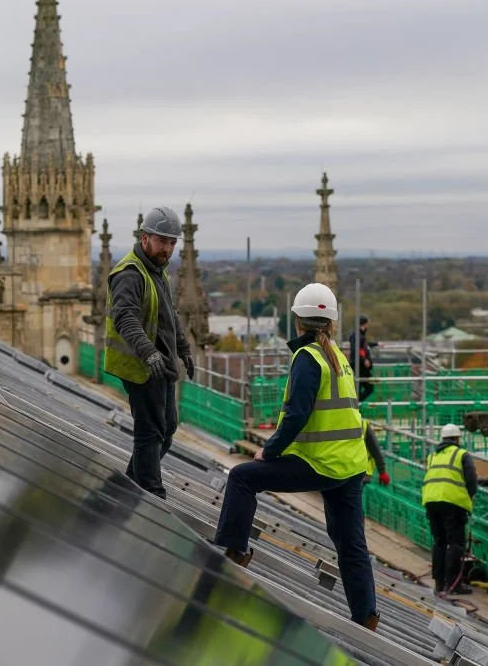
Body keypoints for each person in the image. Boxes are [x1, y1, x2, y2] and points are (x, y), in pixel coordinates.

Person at [214, 283, 380, 631]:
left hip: (321, 462)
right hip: (350, 465)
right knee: (352, 545)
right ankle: (366, 617)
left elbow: (296, 415)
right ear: (331, 322)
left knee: (242, 478)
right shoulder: (338, 356)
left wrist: (269, 451)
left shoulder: (308, 358)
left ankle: (232, 552)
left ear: (297, 322)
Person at [104, 206, 194, 500]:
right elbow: (125, 318)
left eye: (172, 243)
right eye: (162, 241)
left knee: (166, 428)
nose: (167, 249)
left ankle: (130, 483)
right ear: (145, 239)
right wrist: (149, 353)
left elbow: (170, 317)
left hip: (161, 366)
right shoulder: (130, 273)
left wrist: (183, 349)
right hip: (141, 367)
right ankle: (151, 492)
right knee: (150, 431)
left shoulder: (156, 272)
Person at [421, 423, 478, 596]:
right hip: (452, 503)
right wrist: (469, 497)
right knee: (456, 543)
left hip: (431, 500)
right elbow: (472, 481)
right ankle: (452, 584)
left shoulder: (433, 456)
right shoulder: (462, 455)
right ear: (457, 439)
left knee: (440, 542)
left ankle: (439, 583)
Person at [348, 316, 375, 403]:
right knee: (365, 388)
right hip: (359, 366)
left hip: (361, 366)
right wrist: (364, 360)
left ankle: (356, 405)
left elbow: (363, 347)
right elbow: (356, 349)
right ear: (365, 324)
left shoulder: (359, 335)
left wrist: (376, 344)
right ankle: (356, 405)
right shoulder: (357, 335)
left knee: (362, 388)